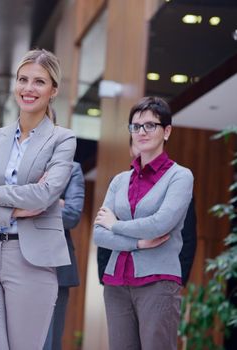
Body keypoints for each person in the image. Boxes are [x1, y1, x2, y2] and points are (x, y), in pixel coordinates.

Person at [0, 49, 77, 350]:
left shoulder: (62, 140)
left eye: (39, 81)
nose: (29, 88)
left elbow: (45, 195)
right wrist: (17, 210)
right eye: (23, 79)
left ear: (54, 89)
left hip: (32, 261)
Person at [93, 96, 194, 350]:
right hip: (116, 283)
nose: (142, 132)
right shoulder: (119, 180)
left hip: (158, 282)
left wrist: (115, 225)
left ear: (167, 131)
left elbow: (160, 224)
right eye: (136, 126)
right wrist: (138, 242)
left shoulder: (180, 177)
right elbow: (98, 234)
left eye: (150, 125)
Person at [96, 140, 197, 287]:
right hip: (117, 275)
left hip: (159, 274)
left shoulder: (176, 183)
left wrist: (180, 277)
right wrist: (103, 273)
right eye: (137, 143)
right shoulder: (117, 182)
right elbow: (102, 232)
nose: (142, 148)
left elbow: (187, 235)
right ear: (130, 149)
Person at [43, 162, 85, 350]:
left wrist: (32, 202)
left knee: (49, 342)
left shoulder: (72, 169)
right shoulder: (15, 161)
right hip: (14, 260)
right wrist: (55, 201)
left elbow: (71, 215)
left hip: (56, 268)